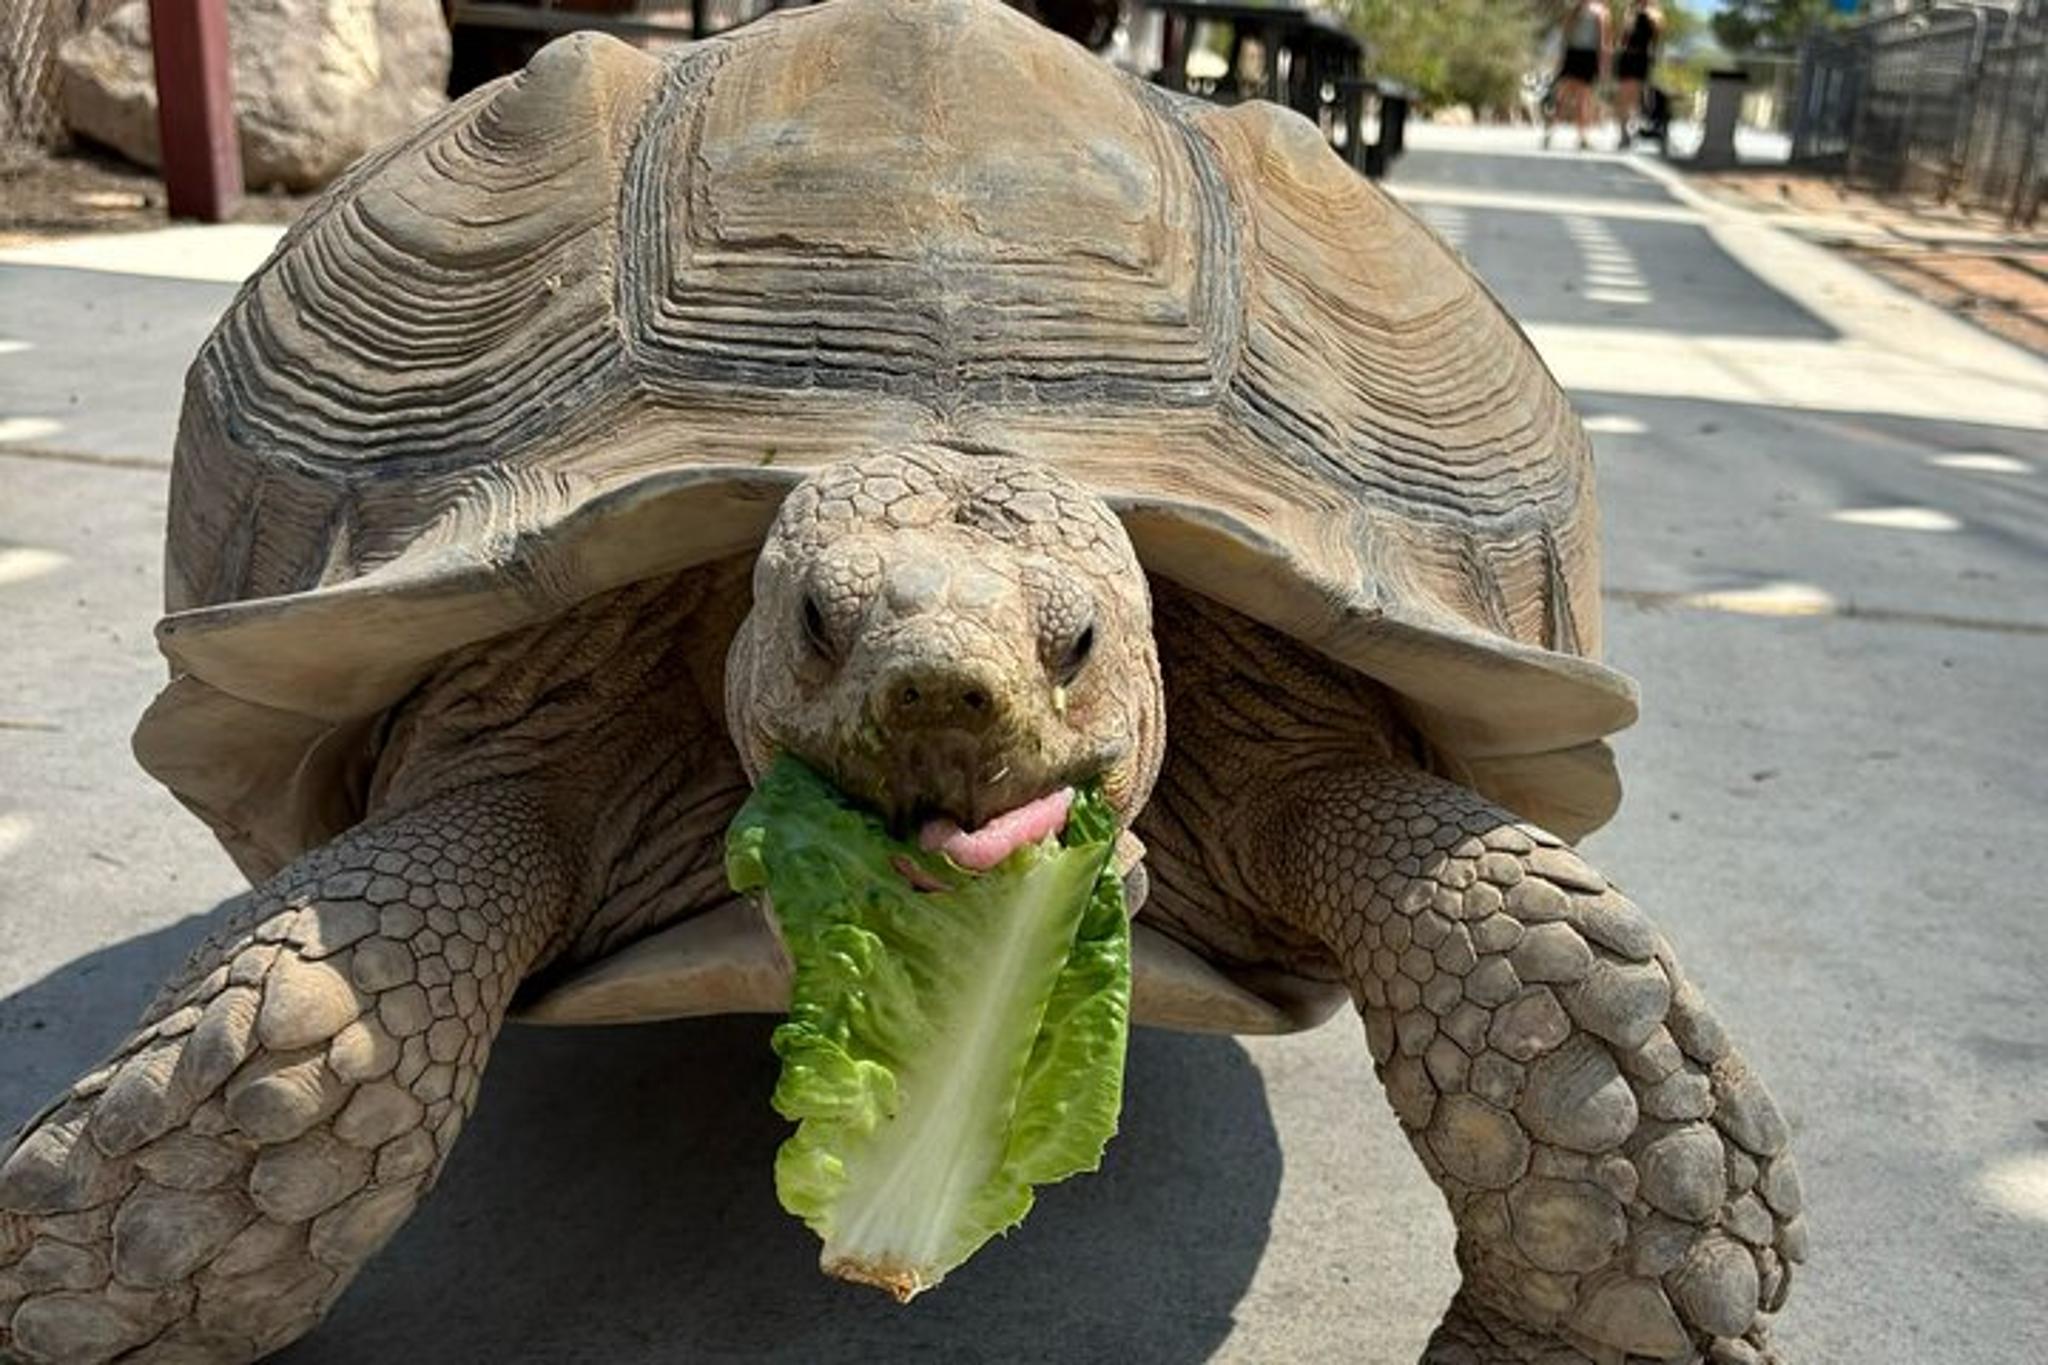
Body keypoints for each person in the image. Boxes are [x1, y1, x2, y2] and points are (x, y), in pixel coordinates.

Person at [1545, 0, 1610, 152]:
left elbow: (1600, 40)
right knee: (1573, 97)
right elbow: (1600, 41)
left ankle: (1570, 135)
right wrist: (1602, 63)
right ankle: (1568, 134)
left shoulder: (1588, 10)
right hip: (1580, 55)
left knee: (1574, 97)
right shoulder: (1586, 10)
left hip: (1580, 56)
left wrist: (1601, 63)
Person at [1614, 1, 1663, 149]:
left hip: (1642, 58)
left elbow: (1657, 35)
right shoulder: (1629, 11)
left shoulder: (1655, 13)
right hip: (1627, 56)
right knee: (1623, 95)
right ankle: (1623, 132)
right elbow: (1622, 36)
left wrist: (1648, 14)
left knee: (1635, 95)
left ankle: (1632, 128)